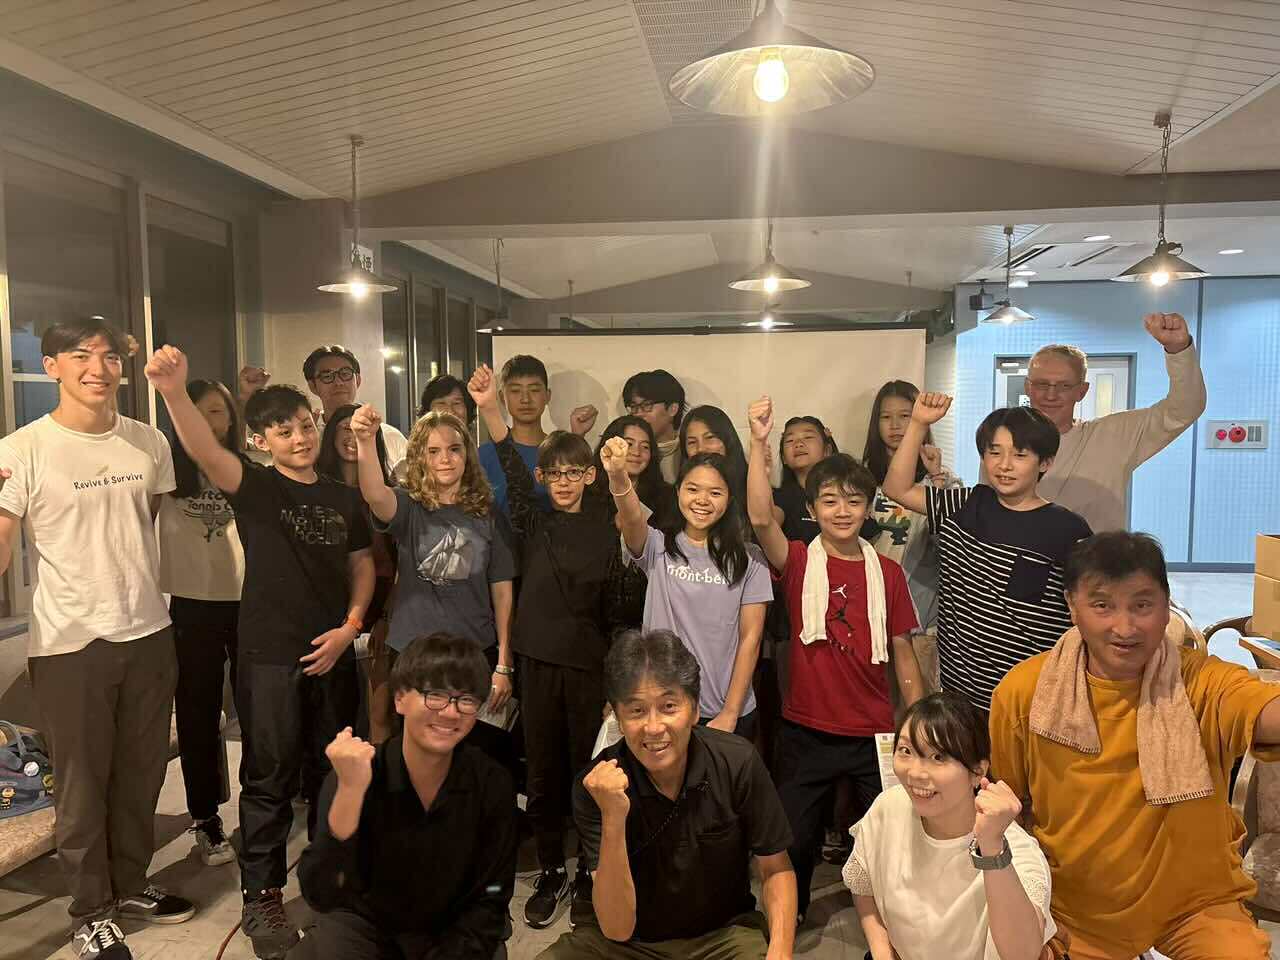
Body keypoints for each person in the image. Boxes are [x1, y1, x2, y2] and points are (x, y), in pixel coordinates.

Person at [147, 348, 375, 960]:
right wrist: (173, 392)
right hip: (271, 654)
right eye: (283, 431)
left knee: (334, 772)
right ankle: (262, 896)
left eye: (304, 425)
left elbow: (361, 566)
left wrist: (350, 627)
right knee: (269, 779)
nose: (299, 438)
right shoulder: (256, 487)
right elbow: (204, 449)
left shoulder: (344, 497)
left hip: (335, 653)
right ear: (260, 440)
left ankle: (331, 880)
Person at [0, 318, 195, 960]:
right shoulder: (22, 449)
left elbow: (146, 527)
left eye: (110, 357)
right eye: (80, 355)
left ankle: (131, 884)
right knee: (82, 785)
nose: (97, 368)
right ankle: (90, 912)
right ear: (51, 366)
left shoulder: (147, 442)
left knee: (141, 773)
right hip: (69, 641)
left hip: (148, 630)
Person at [991, 531, 1280, 960]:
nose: (1124, 628)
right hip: (1076, 906)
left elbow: (1263, 709)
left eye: (1142, 605)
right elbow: (1008, 808)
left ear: (1167, 606)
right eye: (1102, 605)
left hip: (1196, 901)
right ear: (1072, 605)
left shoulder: (1200, 681)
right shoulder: (1026, 693)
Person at [746, 396, 924, 920]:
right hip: (807, 729)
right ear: (811, 510)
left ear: (868, 509)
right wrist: (758, 442)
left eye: (853, 501)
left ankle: (889, 923)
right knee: (795, 836)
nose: (842, 511)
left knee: (887, 837)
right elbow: (759, 517)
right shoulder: (799, 561)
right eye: (829, 501)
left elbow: (903, 654)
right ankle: (792, 912)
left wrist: (916, 725)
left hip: (875, 733)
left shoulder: (887, 573)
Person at [469, 364, 626, 928]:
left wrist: (614, 686)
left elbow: (618, 615)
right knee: (540, 772)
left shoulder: (608, 524)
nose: (562, 482)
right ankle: (552, 870)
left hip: (588, 666)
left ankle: (587, 871)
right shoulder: (530, 518)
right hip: (535, 662)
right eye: (553, 473)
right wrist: (490, 408)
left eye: (572, 472)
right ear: (543, 477)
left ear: (589, 475)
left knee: (589, 769)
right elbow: (511, 467)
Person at [539, 630, 797, 960]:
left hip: (720, 936)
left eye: (669, 706)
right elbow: (617, 927)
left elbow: (776, 869)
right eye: (636, 711)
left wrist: (780, 953)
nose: (654, 727)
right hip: (623, 943)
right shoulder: (595, 786)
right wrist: (613, 817)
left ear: (695, 709)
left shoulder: (737, 762)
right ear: (617, 717)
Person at [298, 632, 517, 960]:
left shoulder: (492, 783)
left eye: (466, 699)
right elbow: (323, 893)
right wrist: (350, 794)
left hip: (450, 927)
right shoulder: (358, 771)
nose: (451, 712)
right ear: (399, 698)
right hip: (367, 926)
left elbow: (493, 894)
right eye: (435, 695)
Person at [882, 393, 1092, 714]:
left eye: (1020, 455)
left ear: (1045, 463)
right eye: (994, 452)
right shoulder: (965, 505)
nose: (1004, 465)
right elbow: (896, 488)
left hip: (1030, 699)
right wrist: (918, 423)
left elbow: (1085, 610)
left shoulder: (1068, 530)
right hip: (961, 698)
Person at [349, 404, 516, 759]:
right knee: (416, 753)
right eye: (434, 451)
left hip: (473, 650)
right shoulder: (409, 507)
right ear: (420, 458)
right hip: (413, 652)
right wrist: (364, 440)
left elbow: (502, 590)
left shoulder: (487, 513)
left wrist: (503, 662)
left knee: (474, 756)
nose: (445, 459)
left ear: (467, 454)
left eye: (454, 449)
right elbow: (375, 494)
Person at [845, 691, 1056, 960]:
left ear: (978, 771)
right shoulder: (889, 807)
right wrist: (882, 952)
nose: (915, 773)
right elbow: (863, 883)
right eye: (906, 751)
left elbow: (1022, 955)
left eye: (938, 757)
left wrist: (992, 846)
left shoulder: (1015, 850)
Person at [608, 437, 772, 738]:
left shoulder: (750, 558)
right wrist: (618, 475)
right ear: (678, 492)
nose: (702, 500)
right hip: (663, 707)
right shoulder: (657, 545)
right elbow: (631, 517)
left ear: (729, 499)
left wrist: (730, 713)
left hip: (724, 711)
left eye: (715, 492)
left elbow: (751, 638)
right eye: (692, 489)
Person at [157, 378, 244, 868]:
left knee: (258, 709)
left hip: (249, 602)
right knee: (197, 713)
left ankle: (259, 806)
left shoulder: (246, 467)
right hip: (192, 604)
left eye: (216, 411)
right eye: (196, 411)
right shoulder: (164, 469)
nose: (208, 421)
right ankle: (205, 817)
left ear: (231, 417)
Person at [1022, 313, 1205, 532]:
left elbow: (1184, 409)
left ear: (1082, 391)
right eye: (1042, 384)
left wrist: (1179, 351)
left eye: (1064, 386)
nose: (1051, 395)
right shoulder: (1001, 442)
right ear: (1027, 387)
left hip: (1095, 553)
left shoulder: (1113, 437)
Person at [316, 404, 399, 737]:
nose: (352, 437)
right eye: (344, 429)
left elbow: (399, 561)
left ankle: (377, 769)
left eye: (358, 430)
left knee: (380, 710)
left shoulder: (387, 493)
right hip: (329, 611)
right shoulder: (316, 488)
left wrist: (387, 617)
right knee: (334, 713)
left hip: (380, 611)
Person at [863, 380, 958, 632]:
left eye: (905, 416)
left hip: (921, 612)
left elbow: (949, 544)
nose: (895, 425)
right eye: (886, 417)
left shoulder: (941, 479)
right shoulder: (860, 479)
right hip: (868, 606)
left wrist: (937, 480)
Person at [302, 344, 409, 469]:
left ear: (357, 380)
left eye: (345, 373)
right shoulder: (307, 438)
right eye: (327, 376)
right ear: (313, 386)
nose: (338, 382)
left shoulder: (389, 436)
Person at [622, 369, 686, 483]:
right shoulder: (622, 450)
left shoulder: (688, 450)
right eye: (634, 407)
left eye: (647, 405)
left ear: (672, 409)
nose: (638, 414)